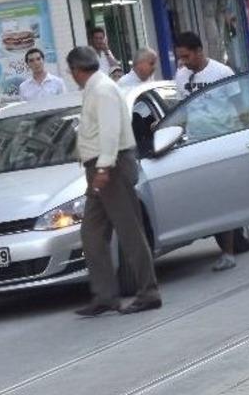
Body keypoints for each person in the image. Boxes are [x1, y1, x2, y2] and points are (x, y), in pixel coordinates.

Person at [68, 46, 162, 317]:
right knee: (92, 233)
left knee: (129, 230)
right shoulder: (95, 88)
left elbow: (110, 131)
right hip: (101, 167)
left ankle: (148, 291)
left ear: (76, 70)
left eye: (71, 70)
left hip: (110, 166)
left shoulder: (102, 89)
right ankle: (105, 294)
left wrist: (103, 167)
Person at [173, 31, 240, 271]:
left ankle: (229, 251)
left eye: (186, 56)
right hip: (195, 142)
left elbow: (239, 106)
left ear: (199, 51)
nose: (183, 62)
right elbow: (181, 109)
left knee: (222, 198)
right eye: (180, 57)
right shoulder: (181, 76)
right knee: (207, 198)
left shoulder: (222, 73)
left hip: (221, 140)